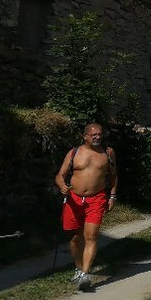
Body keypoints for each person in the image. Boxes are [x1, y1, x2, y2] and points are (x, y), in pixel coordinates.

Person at [54, 122, 118, 291]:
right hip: (74, 199)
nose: (97, 137)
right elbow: (60, 176)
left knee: (91, 237)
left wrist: (112, 196)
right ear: (85, 136)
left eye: (99, 134)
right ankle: (78, 267)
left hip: (96, 199)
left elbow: (113, 177)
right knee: (75, 238)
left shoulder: (108, 153)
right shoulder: (74, 153)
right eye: (93, 134)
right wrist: (62, 186)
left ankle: (85, 274)